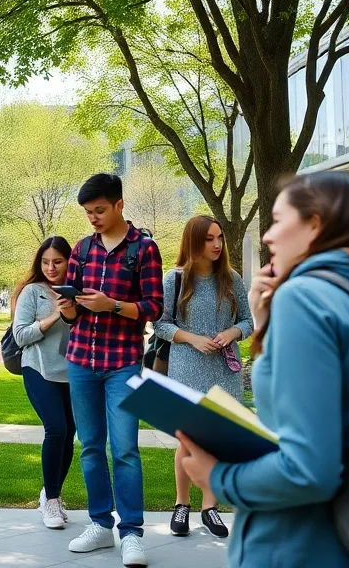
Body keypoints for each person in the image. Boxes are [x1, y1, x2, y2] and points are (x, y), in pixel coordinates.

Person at [176, 171, 349, 568]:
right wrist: (266, 322)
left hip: (305, 544)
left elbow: (308, 469)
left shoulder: (307, 302)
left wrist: (219, 478)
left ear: (316, 224)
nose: (268, 236)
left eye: (279, 221)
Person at [57, 173, 162, 567]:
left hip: (122, 363)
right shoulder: (82, 250)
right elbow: (71, 312)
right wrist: (68, 309)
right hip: (81, 359)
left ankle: (131, 533)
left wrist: (113, 305)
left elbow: (154, 307)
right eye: (88, 212)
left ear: (119, 204)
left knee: (126, 451)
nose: (94, 218)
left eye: (100, 210)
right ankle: (100, 525)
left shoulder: (144, 250)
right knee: (90, 448)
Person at [153, 216, 252, 539]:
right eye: (209, 238)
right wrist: (193, 338)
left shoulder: (231, 278)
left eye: (219, 237)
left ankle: (209, 507)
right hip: (186, 367)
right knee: (188, 440)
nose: (217, 244)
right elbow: (161, 325)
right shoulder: (176, 279)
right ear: (194, 242)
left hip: (224, 369)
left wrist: (232, 332)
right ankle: (181, 504)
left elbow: (248, 321)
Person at [11, 236, 76, 530]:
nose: (51, 267)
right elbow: (20, 336)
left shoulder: (79, 292)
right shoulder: (32, 292)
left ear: (69, 262)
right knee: (57, 429)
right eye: (45, 262)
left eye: (58, 262)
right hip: (38, 369)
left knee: (70, 433)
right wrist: (54, 317)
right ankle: (49, 501)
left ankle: (53, 493)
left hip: (73, 372)